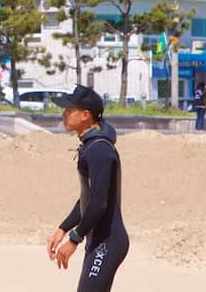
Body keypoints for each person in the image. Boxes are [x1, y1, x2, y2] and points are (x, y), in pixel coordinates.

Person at [46, 85, 129, 291]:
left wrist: (74, 239)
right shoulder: (92, 146)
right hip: (99, 240)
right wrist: (63, 228)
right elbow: (88, 198)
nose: (64, 114)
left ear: (85, 115)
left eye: (69, 110)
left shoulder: (99, 150)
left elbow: (99, 203)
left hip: (107, 241)